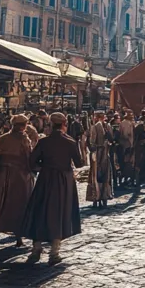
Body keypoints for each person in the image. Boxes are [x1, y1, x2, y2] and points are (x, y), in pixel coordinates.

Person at [21, 112, 84, 264]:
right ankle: (54, 252)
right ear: (64, 124)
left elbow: (32, 162)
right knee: (60, 212)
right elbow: (79, 163)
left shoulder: (44, 142)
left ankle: (36, 248)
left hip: (45, 179)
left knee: (40, 210)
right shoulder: (70, 142)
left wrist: (44, 165)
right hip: (63, 181)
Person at [0, 114, 34, 250]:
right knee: (19, 205)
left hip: (5, 176)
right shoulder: (24, 139)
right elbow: (28, 158)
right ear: (23, 125)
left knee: (1, 204)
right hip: (20, 177)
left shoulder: (3, 138)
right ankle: (18, 237)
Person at [86, 111, 114, 208]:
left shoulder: (96, 126)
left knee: (96, 176)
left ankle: (96, 198)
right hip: (105, 153)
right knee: (104, 175)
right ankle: (104, 197)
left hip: (98, 154)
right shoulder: (107, 126)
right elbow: (111, 139)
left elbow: (92, 142)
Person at [118, 111, 135, 188]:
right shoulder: (127, 123)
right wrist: (129, 142)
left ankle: (125, 178)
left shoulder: (123, 123)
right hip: (127, 145)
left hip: (124, 144)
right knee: (127, 162)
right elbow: (126, 134)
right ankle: (126, 179)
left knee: (125, 163)